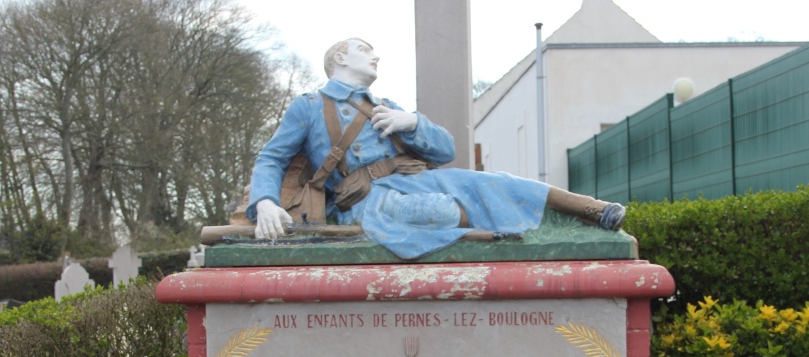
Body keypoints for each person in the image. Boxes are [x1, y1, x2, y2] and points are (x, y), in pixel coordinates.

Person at [247, 38, 625, 259]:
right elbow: (272, 157)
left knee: (493, 181)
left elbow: (445, 151)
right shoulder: (310, 106)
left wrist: (412, 122)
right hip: (367, 201)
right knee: (444, 212)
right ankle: (503, 232)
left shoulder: (386, 105)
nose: (375, 56)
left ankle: (591, 209)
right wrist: (264, 201)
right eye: (365, 50)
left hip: (415, 181)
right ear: (340, 59)